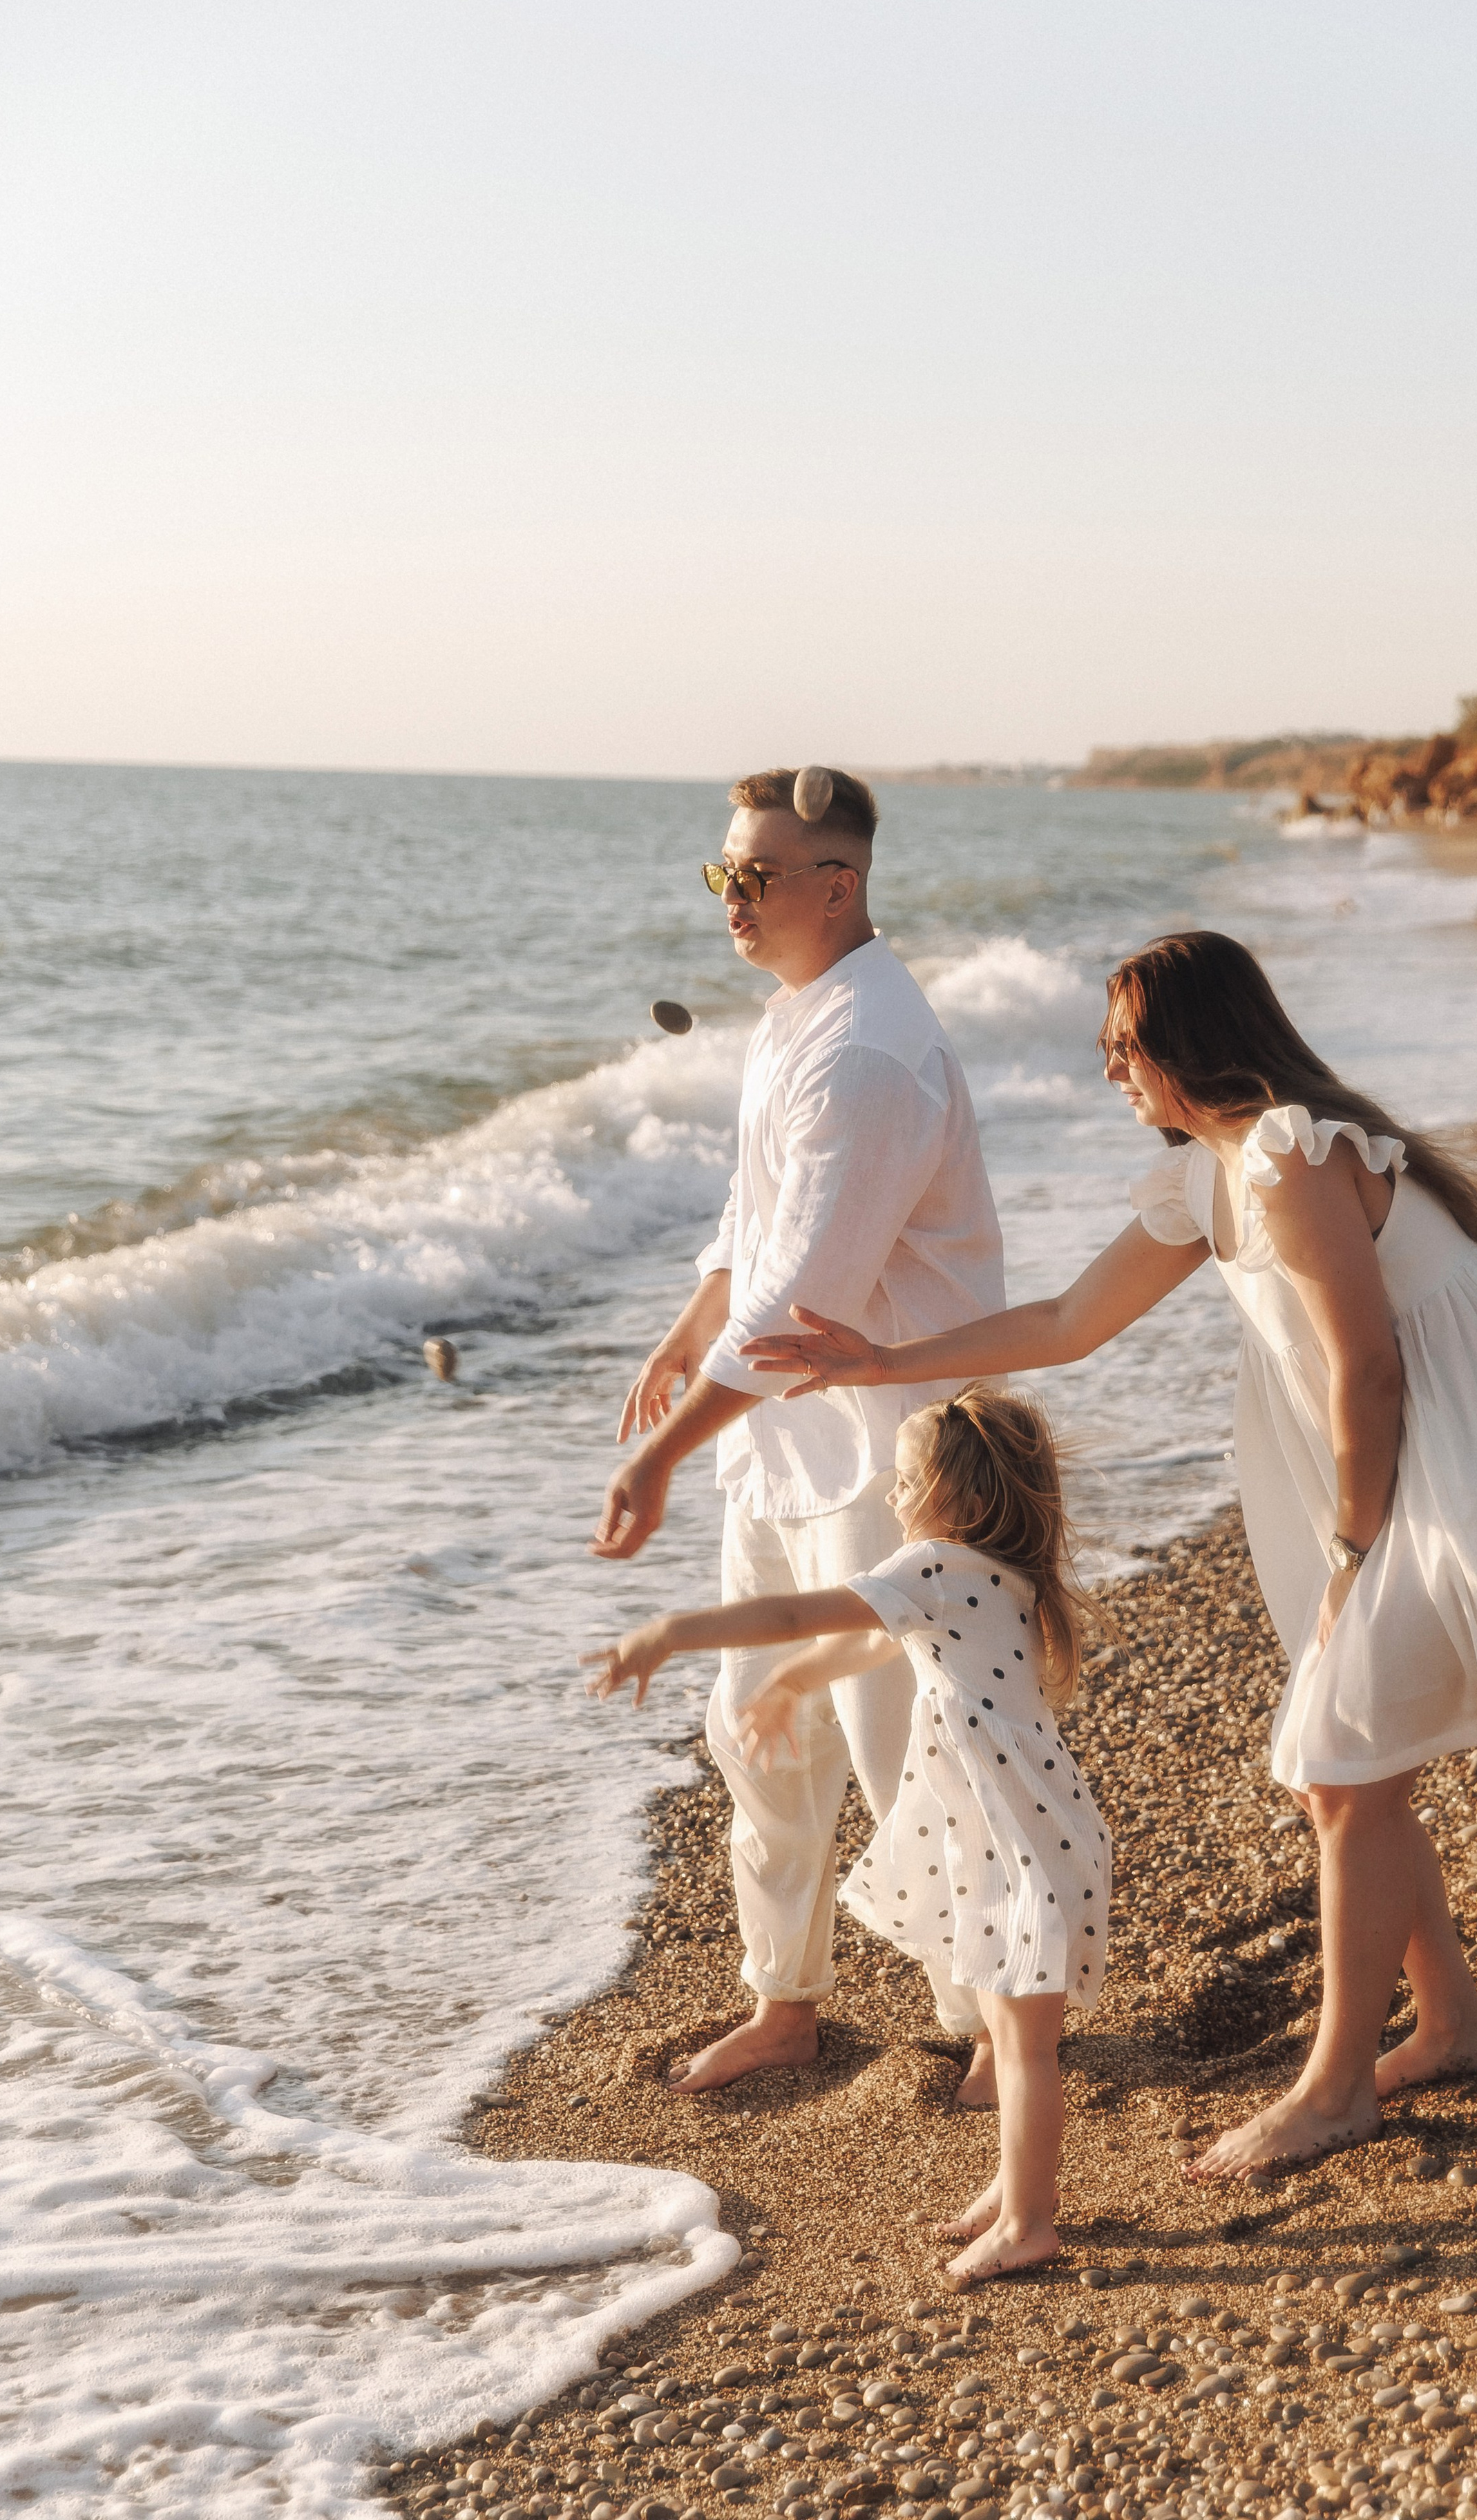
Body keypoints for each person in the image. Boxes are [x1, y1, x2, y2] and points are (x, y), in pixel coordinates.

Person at [741, 928, 1477, 2179]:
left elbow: (1372, 1366)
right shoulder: (1208, 1177)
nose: (1110, 1068)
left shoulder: (1288, 1154)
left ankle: (1335, 2089)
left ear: (1193, 1046)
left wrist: (1351, 1548)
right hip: (1394, 1445)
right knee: (1358, 1753)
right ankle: (1454, 2021)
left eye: (1126, 1045)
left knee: (1339, 1763)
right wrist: (881, 1362)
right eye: (1105, 1045)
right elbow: (1067, 1323)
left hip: (1455, 1447)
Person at [590, 765, 1005, 2098]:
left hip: (892, 1451)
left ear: (841, 885)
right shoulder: (794, 1018)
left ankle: (988, 2019)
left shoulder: (875, 1051)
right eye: (721, 872)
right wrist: (676, 1333)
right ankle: (786, 2000)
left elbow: (800, 1301)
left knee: (902, 1741)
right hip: (781, 1454)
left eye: (755, 875)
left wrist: (660, 1454)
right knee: (750, 1726)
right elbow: (748, 1230)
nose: (730, 898)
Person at [586, 1385, 1108, 2282]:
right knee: (1010, 2028)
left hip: (1018, 1849)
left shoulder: (936, 1568)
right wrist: (792, 1682)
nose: (890, 1499)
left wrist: (672, 1632)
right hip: (1029, 1837)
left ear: (966, 1502)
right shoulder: (995, 1574)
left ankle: (1030, 2221)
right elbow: (866, 1645)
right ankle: (1016, 2191)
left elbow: (801, 1613)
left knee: (1023, 2047)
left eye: (905, 1482)